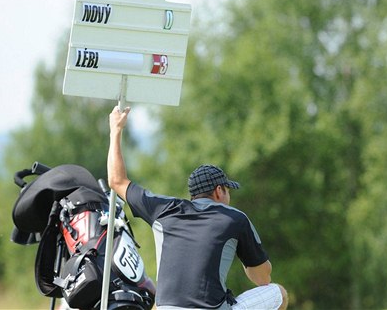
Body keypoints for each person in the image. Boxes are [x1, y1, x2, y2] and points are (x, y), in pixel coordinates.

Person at [108, 106, 288, 310]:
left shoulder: (164, 209)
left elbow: (117, 180)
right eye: (228, 191)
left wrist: (115, 129)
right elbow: (262, 278)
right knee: (278, 293)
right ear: (219, 191)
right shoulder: (235, 218)